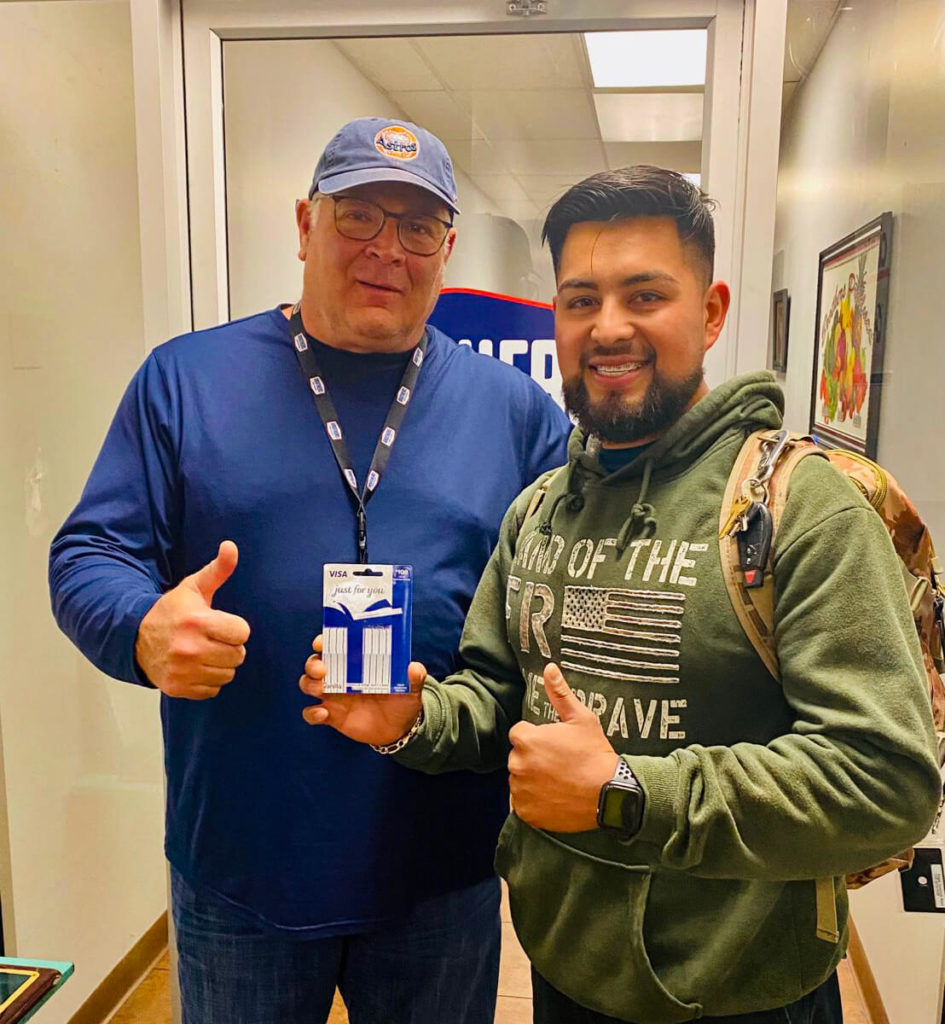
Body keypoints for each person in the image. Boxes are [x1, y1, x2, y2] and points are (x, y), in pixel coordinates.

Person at [300, 165, 941, 1024]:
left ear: (709, 313)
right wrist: (413, 721)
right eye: (580, 300)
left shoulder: (800, 506)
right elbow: (500, 699)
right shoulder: (539, 510)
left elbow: (887, 782)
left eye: (645, 296)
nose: (608, 329)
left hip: (743, 994)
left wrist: (626, 790)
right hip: (565, 970)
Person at [48, 117, 571, 1024]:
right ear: (303, 224)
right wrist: (140, 628)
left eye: (416, 228)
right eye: (359, 215)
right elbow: (88, 552)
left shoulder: (517, 414)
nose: (386, 249)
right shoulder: (184, 381)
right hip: (243, 867)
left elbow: (563, 598)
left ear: (446, 248)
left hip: (440, 867)